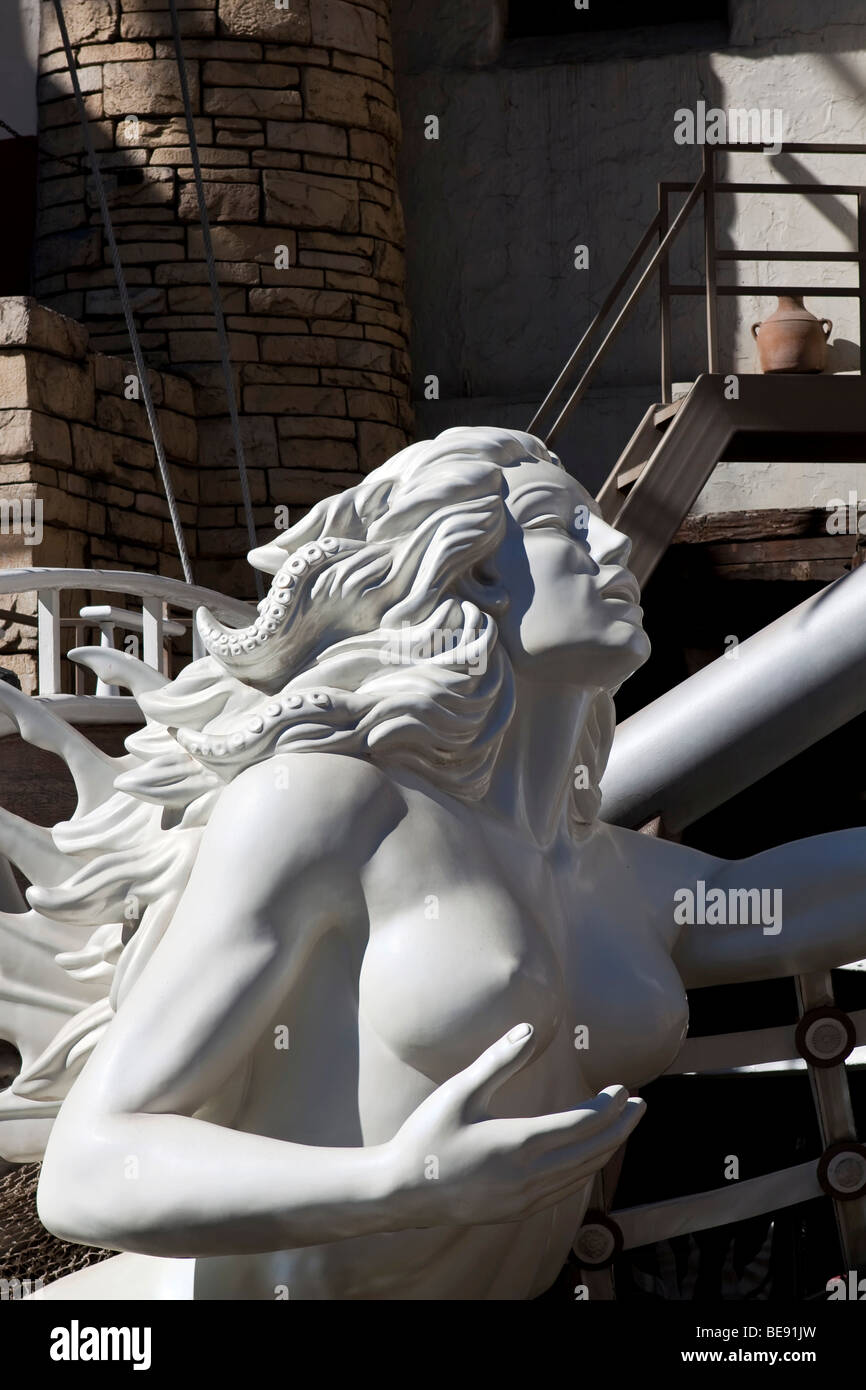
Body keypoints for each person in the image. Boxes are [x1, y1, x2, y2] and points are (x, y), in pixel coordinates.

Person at [4, 427, 865, 1300]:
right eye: (564, 527)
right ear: (481, 571)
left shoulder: (610, 873)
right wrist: (395, 1180)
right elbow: (89, 1168)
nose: (611, 545)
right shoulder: (329, 810)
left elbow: (782, 903)